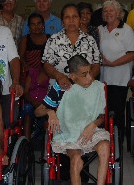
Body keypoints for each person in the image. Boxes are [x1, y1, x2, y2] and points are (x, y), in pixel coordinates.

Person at [35, 55, 110, 185]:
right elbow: (37, 112)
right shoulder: (61, 88)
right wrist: (50, 111)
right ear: (72, 76)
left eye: (90, 72)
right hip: (68, 134)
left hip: (90, 130)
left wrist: (93, 125)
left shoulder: (97, 87)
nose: (90, 78)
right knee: (76, 160)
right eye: (84, 74)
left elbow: (101, 116)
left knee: (104, 147)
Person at [98, 0, 134, 138]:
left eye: (111, 10)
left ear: (118, 13)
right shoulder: (100, 29)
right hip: (103, 79)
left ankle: (118, 141)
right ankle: (105, 140)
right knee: (104, 111)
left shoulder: (126, 29)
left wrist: (113, 63)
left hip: (120, 79)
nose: (108, 13)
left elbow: (132, 54)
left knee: (117, 112)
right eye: (105, 11)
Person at [42, 3, 101, 90]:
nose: (71, 20)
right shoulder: (53, 40)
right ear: (62, 22)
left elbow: (96, 65)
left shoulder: (90, 40)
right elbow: (47, 65)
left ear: (80, 19)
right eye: (67, 17)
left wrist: (88, 77)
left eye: (75, 16)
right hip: (60, 88)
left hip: (85, 89)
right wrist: (58, 76)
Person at [18, 13, 50, 139]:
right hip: (29, 77)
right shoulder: (25, 39)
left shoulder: (50, 38)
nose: (36, 27)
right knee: (27, 111)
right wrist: (28, 68)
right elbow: (20, 57)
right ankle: (27, 144)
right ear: (29, 26)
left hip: (46, 75)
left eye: (39, 23)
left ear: (43, 25)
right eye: (33, 24)